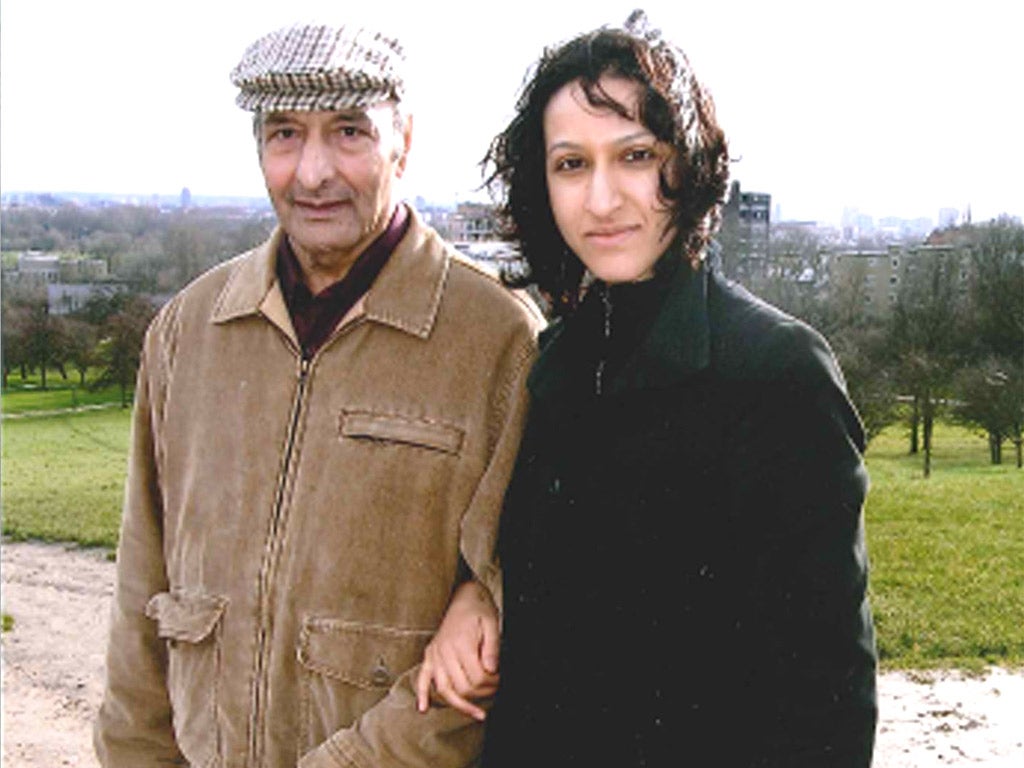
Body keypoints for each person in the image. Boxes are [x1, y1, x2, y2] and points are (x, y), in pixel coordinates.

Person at [415, 10, 878, 767]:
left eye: (634, 155)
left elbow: (826, 703)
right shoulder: (554, 360)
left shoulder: (777, 374)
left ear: (689, 166)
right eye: (571, 164)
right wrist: (478, 593)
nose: (602, 199)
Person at [93, 21, 542, 768]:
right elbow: (143, 599)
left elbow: (501, 627)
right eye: (284, 135)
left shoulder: (498, 341)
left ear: (405, 142)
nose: (312, 172)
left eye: (348, 132)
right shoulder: (187, 332)